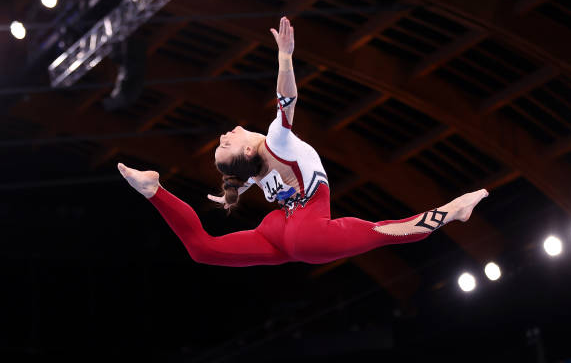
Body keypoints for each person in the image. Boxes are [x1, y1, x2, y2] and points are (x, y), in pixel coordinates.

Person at [117, 16, 489, 267]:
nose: (223, 134)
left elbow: (252, 174)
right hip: (307, 230)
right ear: (247, 149)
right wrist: (284, 58)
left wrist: (239, 186)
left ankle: (154, 191)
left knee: (202, 250)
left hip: (279, 230)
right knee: (387, 231)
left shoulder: (256, 166)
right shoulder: (276, 141)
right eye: (226, 143)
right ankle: (452, 210)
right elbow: (286, 100)